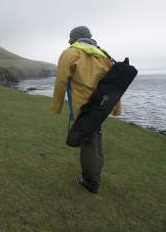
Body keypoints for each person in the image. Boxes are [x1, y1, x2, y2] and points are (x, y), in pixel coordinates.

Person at [50, 26, 121, 194]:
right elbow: (113, 86)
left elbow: (61, 81)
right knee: (96, 136)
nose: (69, 41)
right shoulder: (104, 55)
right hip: (102, 105)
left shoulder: (71, 53)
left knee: (88, 140)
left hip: (82, 105)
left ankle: (91, 180)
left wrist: (56, 106)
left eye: (70, 37)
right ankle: (95, 173)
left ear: (76, 38)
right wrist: (115, 108)